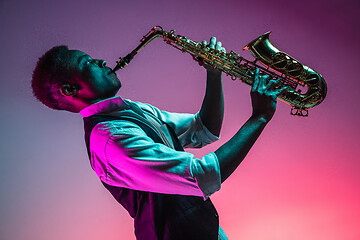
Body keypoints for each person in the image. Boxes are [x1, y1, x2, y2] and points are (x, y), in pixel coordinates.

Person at [31, 37, 286, 240]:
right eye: (87, 63)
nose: (100, 60)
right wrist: (259, 118)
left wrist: (214, 72)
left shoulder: (129, 110)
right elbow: (202, 175)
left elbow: (203, 128)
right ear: (69, 90)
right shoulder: (110, 139)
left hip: (206, 230)